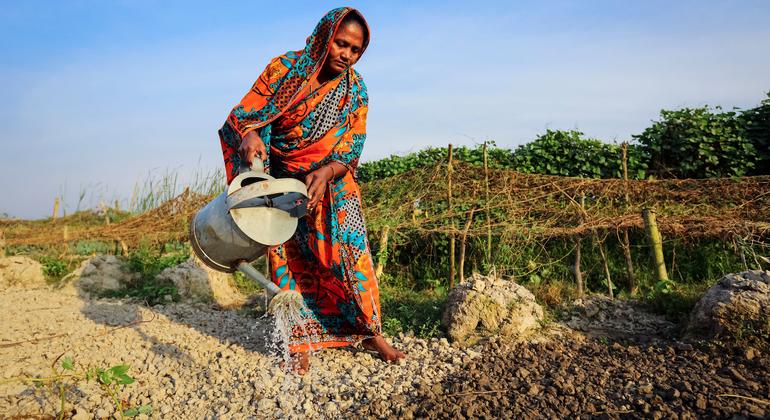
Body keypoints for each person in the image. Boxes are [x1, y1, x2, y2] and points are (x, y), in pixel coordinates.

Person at [218, 7, 405, 374]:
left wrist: (328, 170)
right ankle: (297, 339)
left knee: (350, 255)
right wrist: (250, 134)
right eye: (341, 44)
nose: (346, 54)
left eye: (355, 50)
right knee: (287, 255)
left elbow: (352, 146)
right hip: (281, 180)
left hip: (333, 181)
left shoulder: (355, 90)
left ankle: (369, 332)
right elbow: (243, 116)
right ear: (324, 37)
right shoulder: (284, 70)